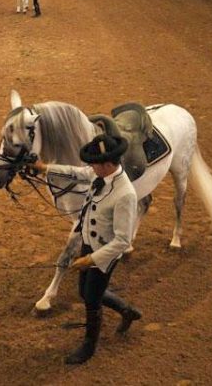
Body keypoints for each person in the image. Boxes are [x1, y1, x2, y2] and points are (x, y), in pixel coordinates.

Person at [29, 134, 142, 364]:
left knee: (91, 299)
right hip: (89, 245)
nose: (90, 166)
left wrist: (91, 259)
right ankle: (126, 309)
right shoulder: (99, 174)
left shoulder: (125, 194)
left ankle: (89, 345)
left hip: (104, 255)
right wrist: (45, 168)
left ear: (107, 164)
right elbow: (76, 172)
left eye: (94, 162)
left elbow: (122, 240)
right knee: (84, 292)